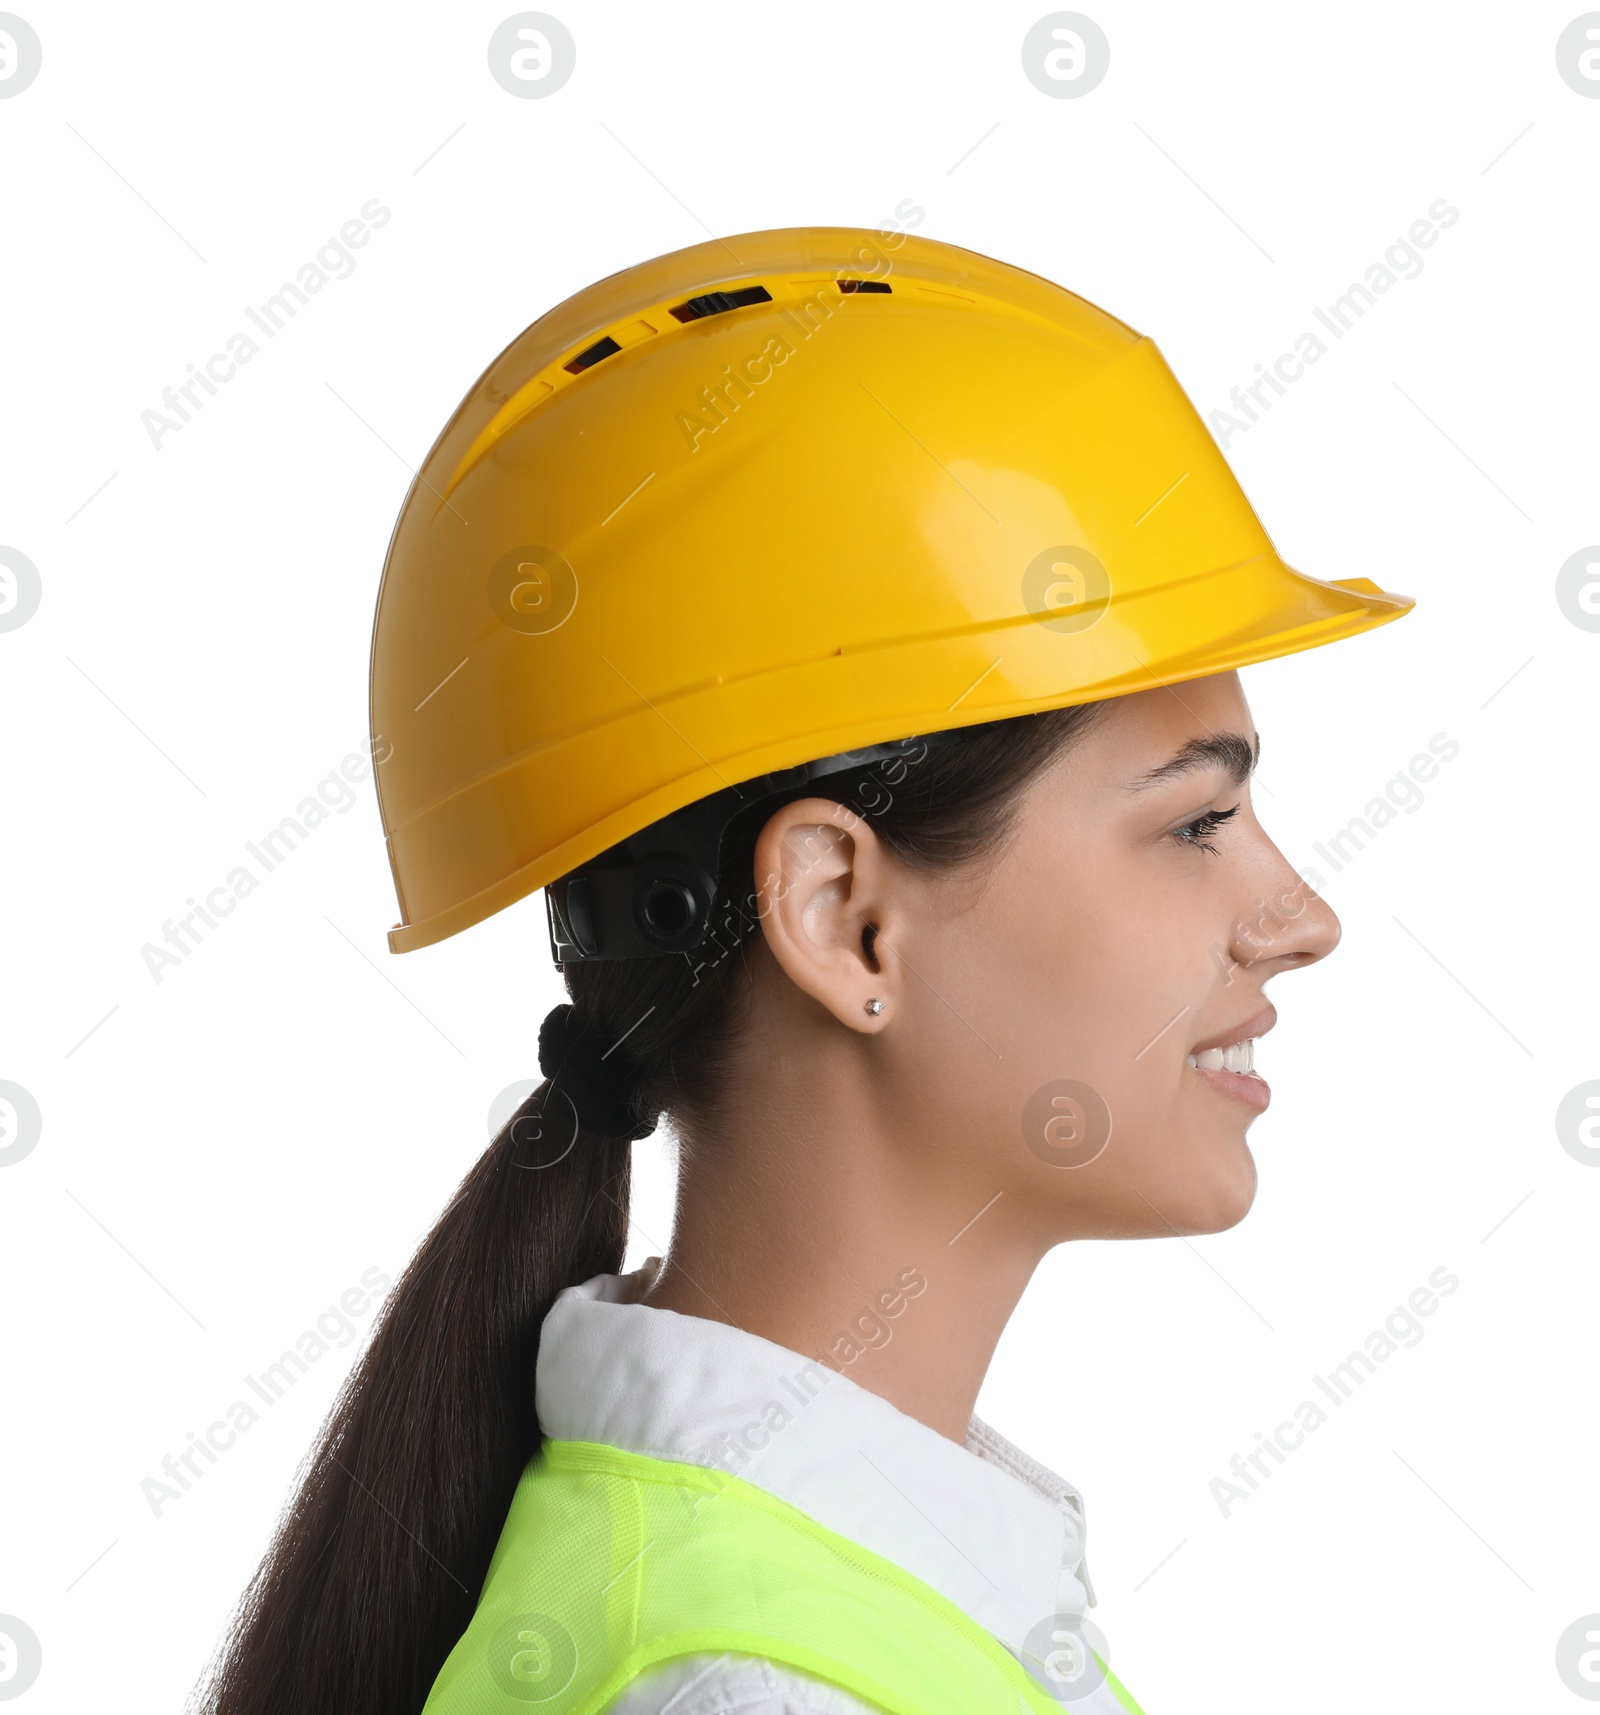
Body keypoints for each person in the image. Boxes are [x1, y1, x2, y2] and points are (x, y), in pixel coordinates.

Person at [199, 228, 1413, 1715]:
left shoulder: (821, 1599)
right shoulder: (749, 1685)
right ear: (843, 920)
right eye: (1198, 821)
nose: (1298, 916)